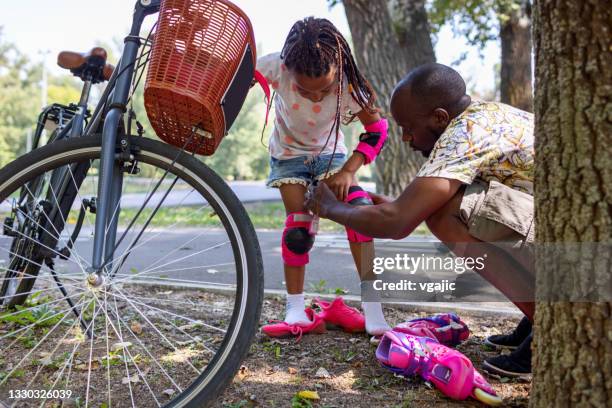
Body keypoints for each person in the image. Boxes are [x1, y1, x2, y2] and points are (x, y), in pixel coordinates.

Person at [305, 62, 535, 377]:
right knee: (444, 205)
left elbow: (398, 223)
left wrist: (330, 208)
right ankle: (537, 315)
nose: (404, 138)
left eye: (408, 127)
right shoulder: (484, 116)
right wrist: (399, 205)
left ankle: (552, 324)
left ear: (440, 117)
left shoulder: (463, 134)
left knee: (444, 215)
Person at [257, 17, 391, 337]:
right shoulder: (277, 66)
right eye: (306, 90)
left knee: (359, 216)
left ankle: (373, 309)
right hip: (288, 159)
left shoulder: (349, 83)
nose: (317, 98)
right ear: (289, 69)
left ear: (337, 69)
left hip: (333, 158)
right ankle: (295, 309)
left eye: (326, 89)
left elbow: (377, 130)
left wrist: (348, 172)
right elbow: (236, 76)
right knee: (298, 229)